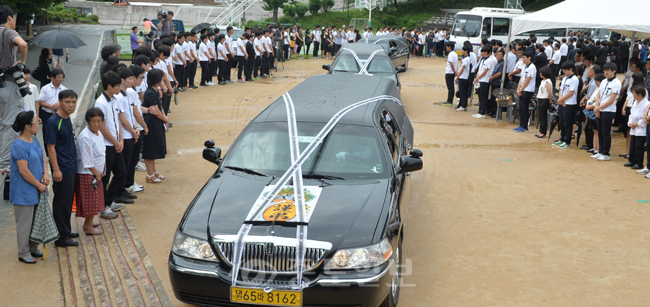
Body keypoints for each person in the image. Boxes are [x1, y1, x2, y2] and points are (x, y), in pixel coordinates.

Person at [10, 111, 48, 263]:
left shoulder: (34, 139)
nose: (38, 123)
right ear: (27, 126)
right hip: (24, 191)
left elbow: (42, 158)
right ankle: (23, 252)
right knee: (25, 223)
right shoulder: (18, 145)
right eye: (35, 122)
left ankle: (33, 247)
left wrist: (46, 175)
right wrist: (39, 184)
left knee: (35, 220)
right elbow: (24, 171)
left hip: (38, 188)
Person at [43, 89, 79, 247]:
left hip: (71, 166)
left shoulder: (67, 119)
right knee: (61, 202)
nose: (71, 105)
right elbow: (50, 147)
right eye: (67, 102)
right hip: (62, 168)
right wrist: (56, 170)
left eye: (73, 102)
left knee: (68, 201)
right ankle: (61, 237)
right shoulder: (53, 121)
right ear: (60, 102)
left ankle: (65, 229)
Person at [0, 5, 29, 193]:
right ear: (10, 18)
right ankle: (4, 166)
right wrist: (22, 61)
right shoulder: (8, 32)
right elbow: (24, 44)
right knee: (9, 124)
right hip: (8, 85)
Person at [95, 71, 128, 219]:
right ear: (109, 86)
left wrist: (120, 140)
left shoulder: (115, 100)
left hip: (115, 143)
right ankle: (103, 207)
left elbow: (117, 121)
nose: (119, 89)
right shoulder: (100, 103)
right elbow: (101, 126)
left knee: (121, 173)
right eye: (117, 86)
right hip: (106, 145)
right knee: (105, 177)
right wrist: (115, 142)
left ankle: (109, 200)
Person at [75, 108, 106, 235]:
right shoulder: (85, 137)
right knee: (90, 201)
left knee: (95, 200)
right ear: (88, 121)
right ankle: (87, 226)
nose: (97, 124)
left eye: (99, 121)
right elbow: (87, 160)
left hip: (97, 173)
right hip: (88, 174)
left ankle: (90, 221)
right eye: (94, 121)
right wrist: (97, 174)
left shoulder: (99, 133)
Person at [141, 69, 168, 183]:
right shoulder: (150, 93)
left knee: (154, 148)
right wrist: (164, 118)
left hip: (156, 122)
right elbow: (155, 110)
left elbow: (159, 107)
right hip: (151, 122)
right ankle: (149, 174)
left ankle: (154, 171)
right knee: (150, 149)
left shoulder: (155, 90)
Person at [591, 63, 621, 161]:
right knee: (600, 131)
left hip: (608, 110)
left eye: (608, 70)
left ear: (614, 71)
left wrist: (598, 108)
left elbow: (611, 100)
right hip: (599, 109)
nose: (606, 72)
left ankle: (606, 153)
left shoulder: (617, 83)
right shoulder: (603, 81)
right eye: (605, 70)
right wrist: (597, 108)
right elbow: (599, 95)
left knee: (605, 132)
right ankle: (600, 151)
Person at [553, 61, 578, 148]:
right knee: (562, 122)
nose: (564, 71)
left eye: (565, 70)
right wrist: (560, 99)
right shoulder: (565, 78)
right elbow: (560, 89)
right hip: (562, 102)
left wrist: (562, 100)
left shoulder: (574, 79)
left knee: (568, 123)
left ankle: (567, 141)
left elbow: (571, 92)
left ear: (570, 69)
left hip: (570, 104)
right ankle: (562, 138)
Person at [625, 85, 649, 169]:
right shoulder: (635, 102)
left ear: (639, 94)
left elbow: (645, 117)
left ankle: (639, 163)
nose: (633, 95)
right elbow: (631, 114)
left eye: (634, 93)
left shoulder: (646, 104)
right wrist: (630, 123)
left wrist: (636, 124)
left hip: (641, 128)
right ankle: (632, 161)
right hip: (634, 127)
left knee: (639, 146)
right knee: (633, 145)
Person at [37, 69, 67, 136]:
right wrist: (52, 106)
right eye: (59, 77)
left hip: (60, 115)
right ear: (52, 77)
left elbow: (67, 102)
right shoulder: (45, 88)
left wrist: (59, 104)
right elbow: (40, 102)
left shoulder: (64, 90)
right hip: (47, 115)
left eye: (62, 77)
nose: (61, 79)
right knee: (47, 133)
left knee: (59, 134)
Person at [515, 51, 536, 133]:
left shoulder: (532, 67)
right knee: (520, 108)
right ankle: (521, 124)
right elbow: (521, 78)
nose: (523, 59)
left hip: (528, 90)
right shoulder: (524, 66)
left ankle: (525, 126)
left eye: (524, 57)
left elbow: (527, 80)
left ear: (529, 58)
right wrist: (518, 88)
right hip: (522, 89)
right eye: (522, 57)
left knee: (525, 108)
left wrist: (521, 89)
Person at [473, 46, 495, 119]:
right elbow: (480, 70)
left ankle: (482, 112)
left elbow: (485, 72)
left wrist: (478, 78)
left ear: (486, 53)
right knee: (480, 96)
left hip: (485, 81)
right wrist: (477, 78)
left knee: (483, 97)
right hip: (480, 80)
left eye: (482, 52)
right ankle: (480, 111)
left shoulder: (489, 61)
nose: (481, 53)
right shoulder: (483, 60)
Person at [536, 67, 554, 138]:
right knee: (541, 116)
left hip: (545, 100)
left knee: (543, 116)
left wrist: (550, 101)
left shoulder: (548, 81)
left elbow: (549, 92)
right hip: (541, 99)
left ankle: (543, 132)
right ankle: (541, 131)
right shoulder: (543, 81)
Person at [455, 45, 471, 112]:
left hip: (463, 77)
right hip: (463, 77)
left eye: (463, 50)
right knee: (462, 92)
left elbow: (462, 69)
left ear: (466, 51)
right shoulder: (466, 59)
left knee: (463, 92)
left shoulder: (466, 59)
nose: (462, 52)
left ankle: (463, 106)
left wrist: (457, 77)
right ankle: (463, 105)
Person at [443, 42, 457, 106]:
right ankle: (449, 99)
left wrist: (454, 71)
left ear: (449, 47)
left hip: (450, 72)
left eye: (447, 47)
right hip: (452, 72)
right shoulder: (455, 54)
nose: (446, 48)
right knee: (451, 87)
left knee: (450, 87)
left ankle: (449, 100)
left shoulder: (451, 54)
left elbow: (451, 64)